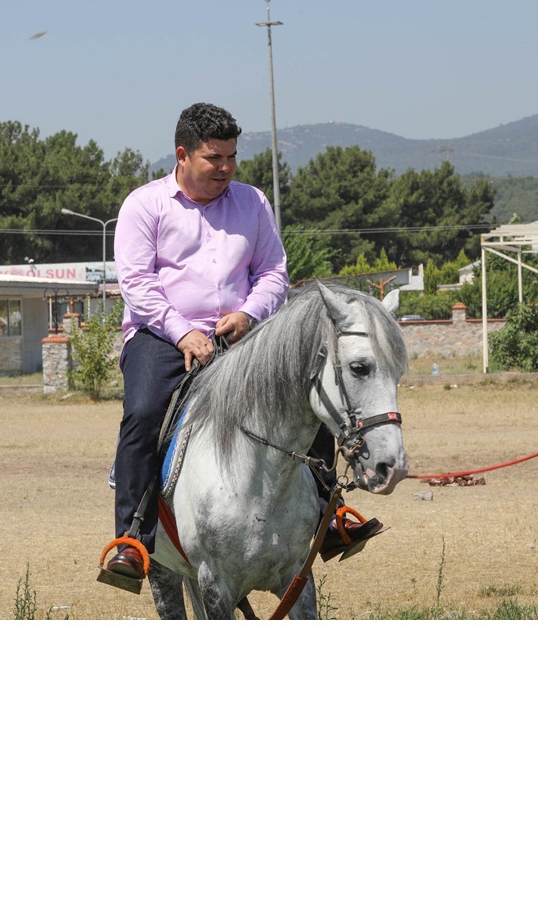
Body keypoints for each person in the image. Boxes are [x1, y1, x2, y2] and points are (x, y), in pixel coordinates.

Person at [103, 102, 379, 582]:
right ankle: (132, 537)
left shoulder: (252, 201)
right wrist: (182, 331)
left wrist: (250, 314)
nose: (226, 168)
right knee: (145, 412)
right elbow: (136, 285)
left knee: (307, 392)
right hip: (162, 336)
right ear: (182, 155)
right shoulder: (143, 205)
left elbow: (273, 270)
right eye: (214, 158)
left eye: (232, 156)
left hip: (242, 333)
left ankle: (327, 513)